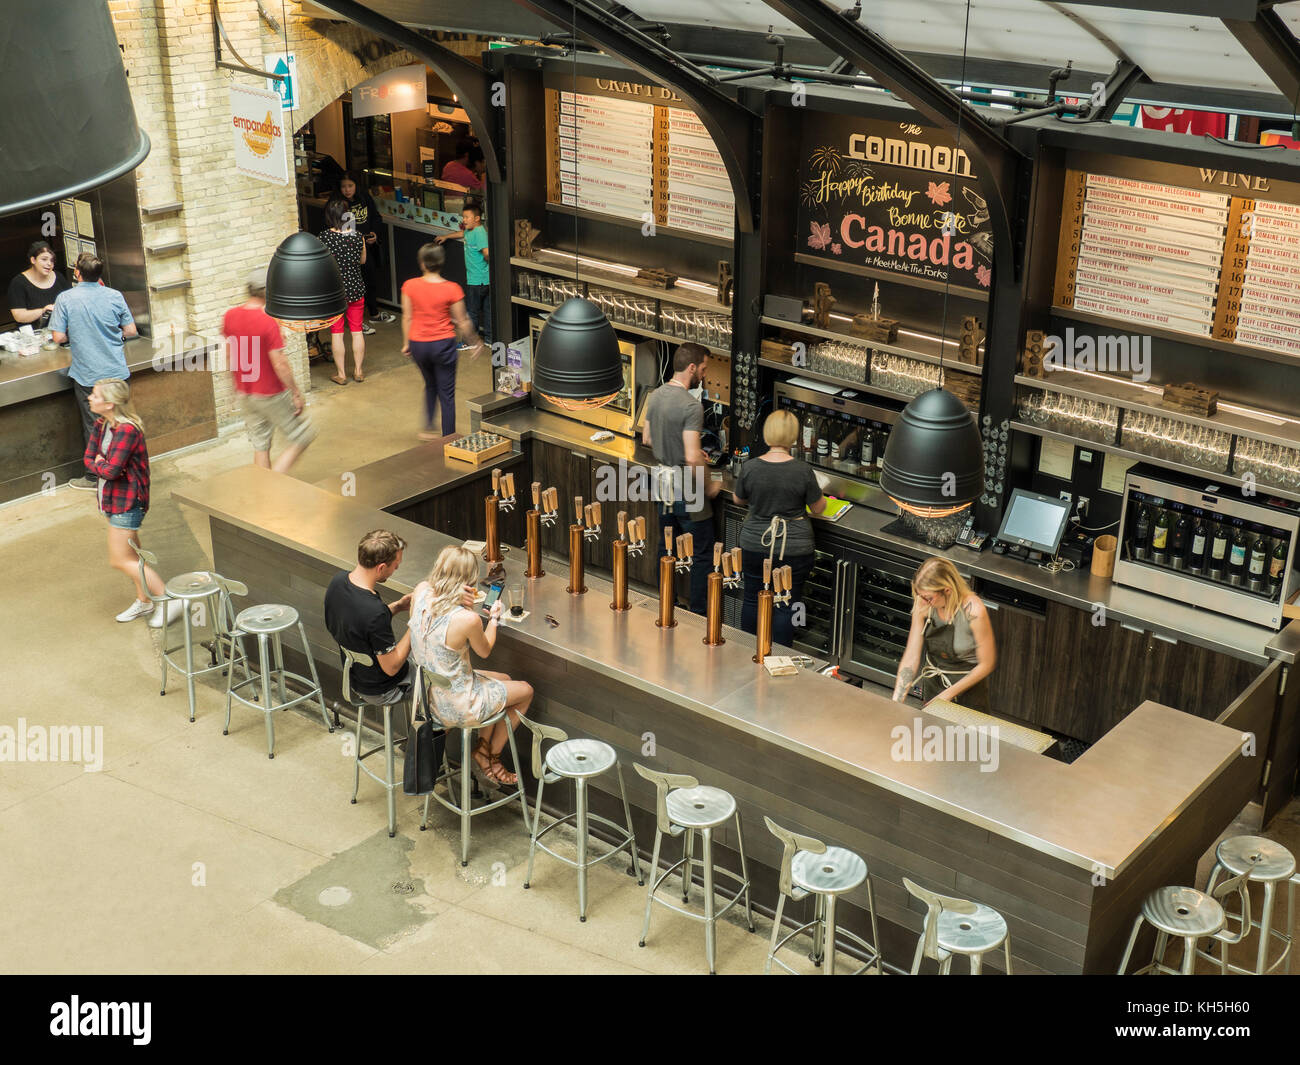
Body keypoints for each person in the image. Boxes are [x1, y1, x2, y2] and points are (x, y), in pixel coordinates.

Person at [409, 545, 532, 787]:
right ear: (468, 580)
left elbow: (435, 606)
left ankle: (483, 749)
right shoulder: (467, 619)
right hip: (458, 706)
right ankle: (491, 756)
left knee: (504, 678)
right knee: (526, 691)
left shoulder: (420, 591)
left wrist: (460, 602)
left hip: (426, 697)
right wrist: (494, 618)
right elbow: (484, 650)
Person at [83, 378, 180, 627]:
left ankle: (169, 599)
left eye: (95, 395)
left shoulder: (127, 430)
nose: (90, 398)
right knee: (134, 556)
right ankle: (144, 600)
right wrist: (100, 464)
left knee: (119, 559)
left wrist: (99, 463)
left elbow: (112, 470)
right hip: (110, 499)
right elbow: (88, 458)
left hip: (128, 503)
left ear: (110, 403)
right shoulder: (101, 424)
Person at [732, 410, 827, 647]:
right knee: (787, 603)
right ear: (794, 437)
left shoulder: (751, 467)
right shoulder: (803, 471)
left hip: (754, 544)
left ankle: (749, 652)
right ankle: (781, 658)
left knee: (753, 599)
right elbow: (818, 508)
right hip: (794, 548)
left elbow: (738, 500)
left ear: (767, 434)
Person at [642, 342, 719, 614]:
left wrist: (675, 446)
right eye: (703, 368)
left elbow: (647, 438)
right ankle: (698, 614)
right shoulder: (691, 405)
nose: (704, 374)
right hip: (687, 487)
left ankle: (667, 605)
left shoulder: (658, 395)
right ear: (691, 367)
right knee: (701, 553)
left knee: (667, 548)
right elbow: (691, 456)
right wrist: (709, 485)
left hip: (661, 481)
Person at [50, 253, 137, 490]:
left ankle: (94, 477)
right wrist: (113, 336)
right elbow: (129, 330)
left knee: (94, 426)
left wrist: (77, 335)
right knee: (122, 422)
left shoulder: (66, 298)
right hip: (117, 372)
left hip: (88, 375)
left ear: (77, 273)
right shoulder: (114, 295)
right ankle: (127, 469)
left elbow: (58, 337)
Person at [222, 267, 317, 472]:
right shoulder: (268, 322)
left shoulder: (230, 316)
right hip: (270, 392)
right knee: (302, 437)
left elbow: (230, 355)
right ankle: (274, 481)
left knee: (261, 444)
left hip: (246, 393)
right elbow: (280, 363)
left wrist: (234, 388)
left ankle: (264, 492)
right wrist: (296, 392)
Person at [401, 242, 484, 441]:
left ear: (422, 263)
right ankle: (448, 437)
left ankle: (428, 428)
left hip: (419, 344)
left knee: (430, 384)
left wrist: (406, 343)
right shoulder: (452, 289)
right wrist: (475, 341)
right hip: (443, 345)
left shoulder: (409, 286)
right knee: (446, 393)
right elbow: (462, 320)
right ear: (441, 262)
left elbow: (407, 317)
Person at [892, 557, 997, 711]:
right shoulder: (923, 602)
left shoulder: (973, 610)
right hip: (934, 684)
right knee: (931, 733)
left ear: (947, 590)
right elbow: (911, 656)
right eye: (920, 596)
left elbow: (986, 664)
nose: (923, 602)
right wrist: (896, 701)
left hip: (968, 692)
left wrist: (946, 695)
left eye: (929, 598)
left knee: (964, 735)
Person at [324, 530, 415, 702]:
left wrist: (396, 607)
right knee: (438, 680)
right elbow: (392, 667)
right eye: (395, 566)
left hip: (355, 677)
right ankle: (429, 729)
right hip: (382, 690)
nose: (396, 569)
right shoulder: (375, 611)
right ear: (381, 567)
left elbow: (360, 623)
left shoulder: (338, 581)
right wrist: (416, 622)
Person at [318, 196, 367, 385]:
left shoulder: (324, 237)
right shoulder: (357, 235)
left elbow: (319, 265)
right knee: (357, 331)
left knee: (337, 333)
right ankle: (359, 371)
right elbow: (362, 261)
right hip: (356, 289)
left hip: (334, 293)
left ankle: (341, 374)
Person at [339, 171, 392, 328]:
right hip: (348, 250)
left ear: (356, 186)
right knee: (352, 285)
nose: (347, 190)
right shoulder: (338, 204)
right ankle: (356, 321)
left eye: (350, 186)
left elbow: (376, 217)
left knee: (370, 280)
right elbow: (335, 225)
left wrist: (375, 233)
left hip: (366, 247)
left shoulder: (365, 198)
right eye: (344, 187)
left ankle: (374, 313)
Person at [435, 203, 490, 343]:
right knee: (486, 310)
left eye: (467, 217)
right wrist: (446, 236)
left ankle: (469, 341)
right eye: (463, 217)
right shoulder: (470, 231)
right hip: (480, 279)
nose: (464, 220)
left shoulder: (479, 232)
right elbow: (462, 234)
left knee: (472, 311)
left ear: (477, 218)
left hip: (478, 279)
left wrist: (487, 263)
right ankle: (490, 340)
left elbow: (487, 253)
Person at [8, 240, 71, 329]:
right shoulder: (18, 283)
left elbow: (70, 301)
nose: (49, 264)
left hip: (59, 331)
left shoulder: (58, 277)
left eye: (52, 260)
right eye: (44, 259)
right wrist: (43, 311)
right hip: (32, 335)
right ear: (33, 260)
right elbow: (19, 316)